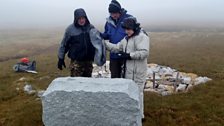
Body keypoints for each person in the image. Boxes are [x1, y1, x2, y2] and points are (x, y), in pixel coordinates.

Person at [104, 17, 150, 119]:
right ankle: (131, 114)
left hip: (138, 72)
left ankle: (140, 116)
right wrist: (104, 44)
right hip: (128, 72)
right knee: (130, 93)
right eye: (125, 29)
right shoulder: (125, 39)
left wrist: (129, 55)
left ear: (134, 28)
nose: (126, 31)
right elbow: (116, 48)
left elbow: (144, 53)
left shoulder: (142, 37)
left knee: (138, 93)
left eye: (128, 29)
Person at [58, 8, 105, 77]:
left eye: (83, 18)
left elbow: (97, 42)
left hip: (88, 61)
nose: (81, 20)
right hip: (76, 62)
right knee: (76, 84)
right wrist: (61, 58)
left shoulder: (91, 28)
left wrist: (100, 56)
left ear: (86, 18)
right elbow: (64, 45)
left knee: (87, 84)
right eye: (79, 19)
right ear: (75, 19)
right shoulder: (70, 30)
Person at [101, 0, 133, 78]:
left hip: (126, 55)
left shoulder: (129, 19)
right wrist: (99, 35)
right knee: (115, 78)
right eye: (111, 13)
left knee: (126, 78)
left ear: (119, 11)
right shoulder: (108, 22)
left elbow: (135, 34)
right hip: (113, 56)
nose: (113, 15)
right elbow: (107, 34)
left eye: (115, 13)